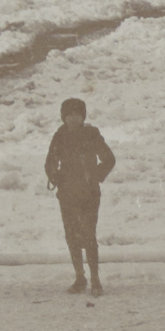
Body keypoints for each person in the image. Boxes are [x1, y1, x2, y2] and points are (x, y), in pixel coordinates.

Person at [44, 98, 116, 296]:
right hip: (67, 194)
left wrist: (95, 176)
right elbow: (50, 163)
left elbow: (109, 159)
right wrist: (56, 177)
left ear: (83, 117)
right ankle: (79, 277)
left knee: (89, 235)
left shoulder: (91, 135)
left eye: (77, 115)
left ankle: (95, 279)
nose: (73, 119)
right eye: (69, 115)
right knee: (71, 235)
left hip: (89, 193)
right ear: (64, 117)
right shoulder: (59, 136)